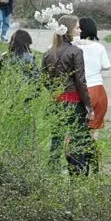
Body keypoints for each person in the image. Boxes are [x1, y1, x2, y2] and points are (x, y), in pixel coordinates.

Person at [42, 15, 94, 175]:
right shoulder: (75, 51)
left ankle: (53, 169)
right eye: (77, 27)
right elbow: (80, 81)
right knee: (77, 137)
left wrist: (54, 91)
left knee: (56, 138)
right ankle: (77, 171)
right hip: (73, 101)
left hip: (56, 101)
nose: (80, 30)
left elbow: (43, 77)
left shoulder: (48, 52)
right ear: (69, 30)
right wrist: (88, 106)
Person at [74, 17, 111, 131]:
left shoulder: (74, 47)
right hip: (97, 88)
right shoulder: (99, 47)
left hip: (80, 88)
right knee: (94, 126)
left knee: (76, 126)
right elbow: (106, 66)